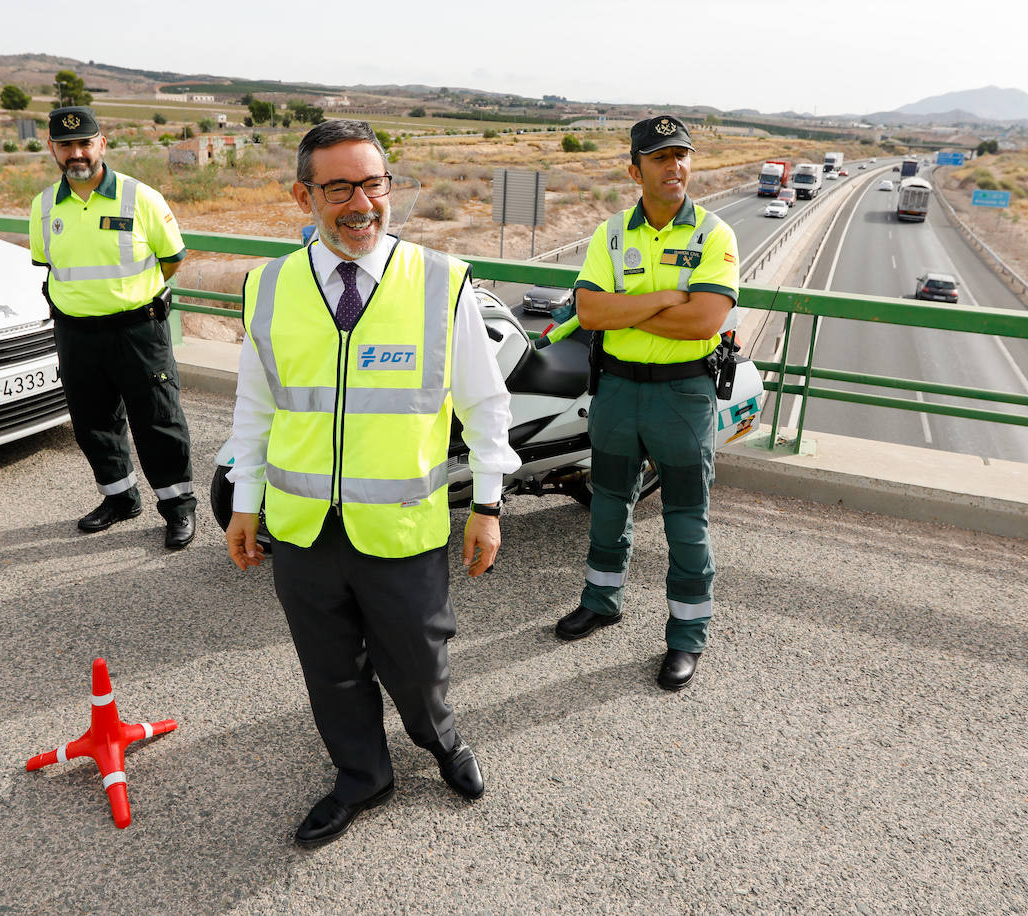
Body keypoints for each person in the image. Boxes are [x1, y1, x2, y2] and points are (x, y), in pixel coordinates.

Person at [225, 119, 519, 847]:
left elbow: (485, 404)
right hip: (302, 528)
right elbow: (255, 408)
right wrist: (243, 503)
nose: (361, 203)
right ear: (304, 195)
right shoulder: (267, 286)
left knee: (419, 665)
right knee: (330, 672)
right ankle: (362, 774)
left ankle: (439, 739)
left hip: (401, 527)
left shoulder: (440, 282)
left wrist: (488, 502)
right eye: (339, 187)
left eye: (374, 183)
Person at [554, 115, 740, 691]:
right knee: (609, 506)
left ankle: (686, 637)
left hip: (683, 396)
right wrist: (666, 296)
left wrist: (628, 306)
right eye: (660, 158)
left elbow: (704, 321)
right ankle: (601, 600)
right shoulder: (610, 233)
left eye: (681, 155)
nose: (674, 167)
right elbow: (590, 313)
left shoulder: (715, 235)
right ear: (636, 169)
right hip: (617, 390)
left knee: (686, 522)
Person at [30, 107, 197, 550]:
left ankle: (178, 508)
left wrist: (130, 297)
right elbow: (51, 265)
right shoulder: (44, 207)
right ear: (52, 149)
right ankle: (120, 498)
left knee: (158, 422)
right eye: (66, 145)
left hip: (137, 332)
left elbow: (173, 258)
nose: (76, 153)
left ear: (102, 144)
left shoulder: (141, 197)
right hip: (76, 334)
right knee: (93, 423)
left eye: (85, 143)